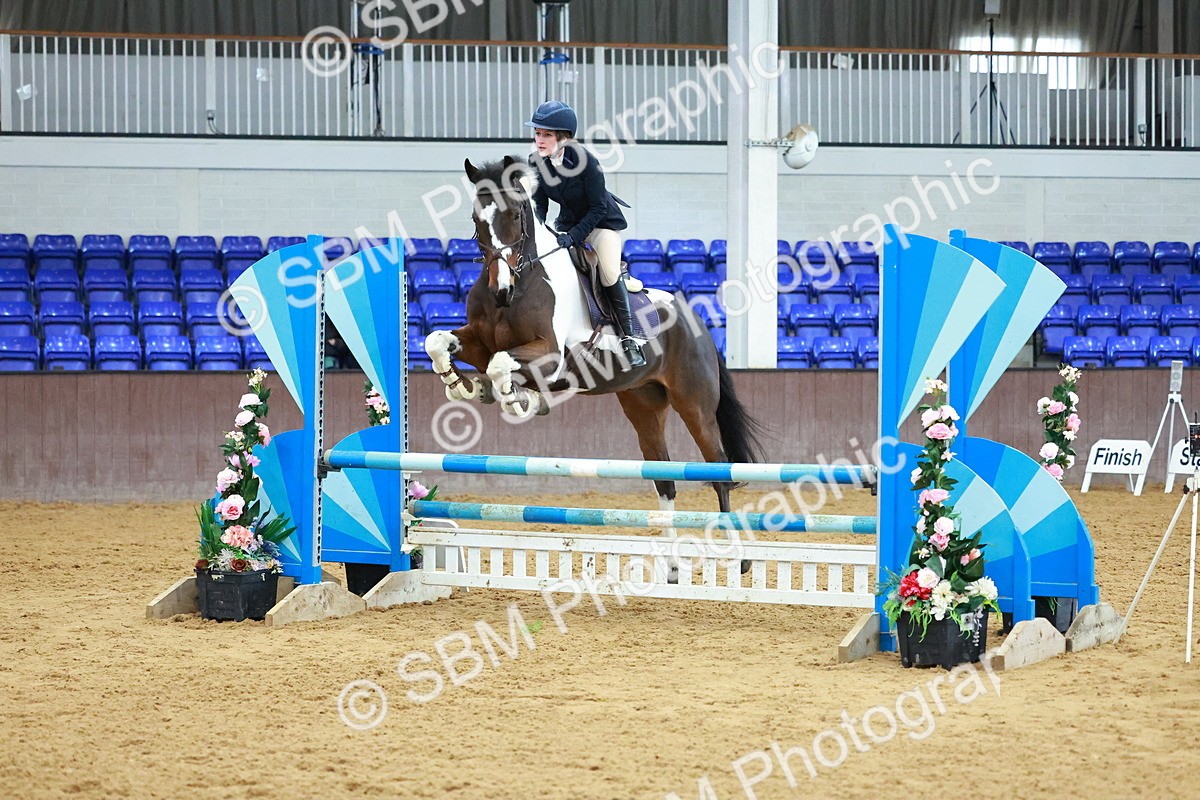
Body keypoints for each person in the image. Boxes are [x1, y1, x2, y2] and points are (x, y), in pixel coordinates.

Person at [525, 100, 645, 369]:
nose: (539, 140)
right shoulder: (536, 161)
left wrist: (574, 236)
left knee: (609, 273)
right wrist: (538, 226)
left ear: (563, 136)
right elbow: (541, 201)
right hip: (568, 224)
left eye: (546, 134)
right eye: (537, 134)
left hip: (601, 225)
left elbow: (598, 206)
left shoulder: (585, 161)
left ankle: (629, 338)